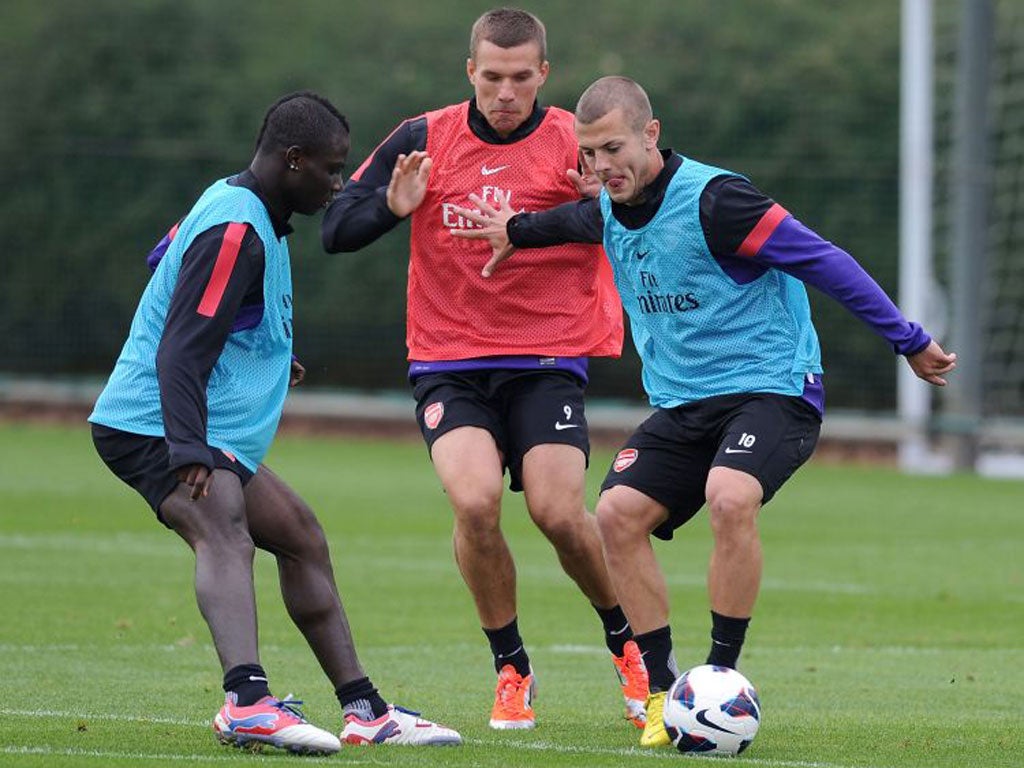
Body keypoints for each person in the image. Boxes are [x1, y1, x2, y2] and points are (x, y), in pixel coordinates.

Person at [450, 75, 957, 747]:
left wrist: (909, 340)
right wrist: (513, 229)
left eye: (615, 149)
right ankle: (663, 695)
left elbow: (824, 260)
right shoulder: (607, 209)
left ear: (651, 135)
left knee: (728, 495)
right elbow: (566, 222)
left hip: (774, 391)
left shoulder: (721, 202)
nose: (603, 167)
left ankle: (719, 679)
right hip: (685, 407)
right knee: (614, 515)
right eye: (592, 154)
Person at [88, 91, 461, 754]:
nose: (339, 182)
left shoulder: (235, 206)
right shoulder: (237, 228)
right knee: (224, 533)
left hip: (200, 425)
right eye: (332, 168)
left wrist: (266, 352)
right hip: (157, 425)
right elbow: (179, 345)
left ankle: (366, 711)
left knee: (300, 536)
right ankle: (247, 702)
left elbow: (168, 266)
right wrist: (188, 448)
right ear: (293, 161)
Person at [321, 9, 649, 731]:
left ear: (544, 75)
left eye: (521, 77)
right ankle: (511, 667)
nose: (507, 91)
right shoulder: (424, 137)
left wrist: (597, 199)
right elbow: (335, 230)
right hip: (450, 359)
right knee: (474, 503)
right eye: (493, 76)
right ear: (470, 71)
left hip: (547, 356)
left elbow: (643, 207)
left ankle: (627, 646)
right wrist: (390, 206)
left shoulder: (576, 139)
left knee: (559, 513)